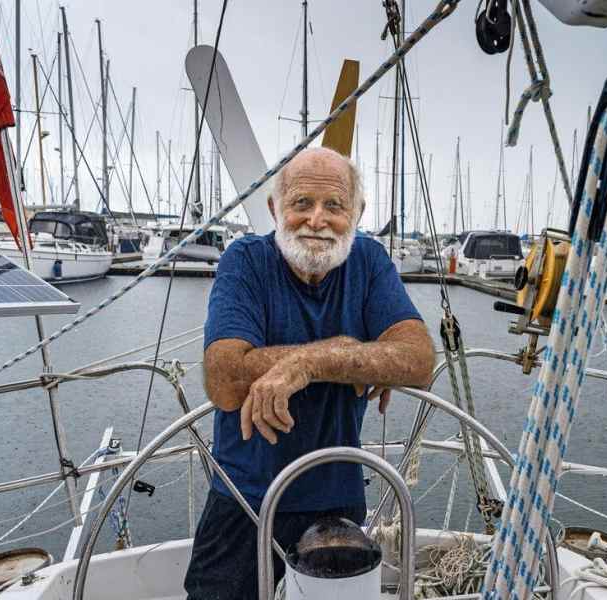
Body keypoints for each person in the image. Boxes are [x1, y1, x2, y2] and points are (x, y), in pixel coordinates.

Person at [184, 147, 435, 599]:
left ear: (356, 213)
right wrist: (349, 352)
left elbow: (417, 360)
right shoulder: (246, 261)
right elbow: (225, 380)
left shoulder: (369, 262)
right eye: (301, 203)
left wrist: (311, 363)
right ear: (275, 209)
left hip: (336, 495)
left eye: (334, 206)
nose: (316, 220)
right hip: (245, 495)